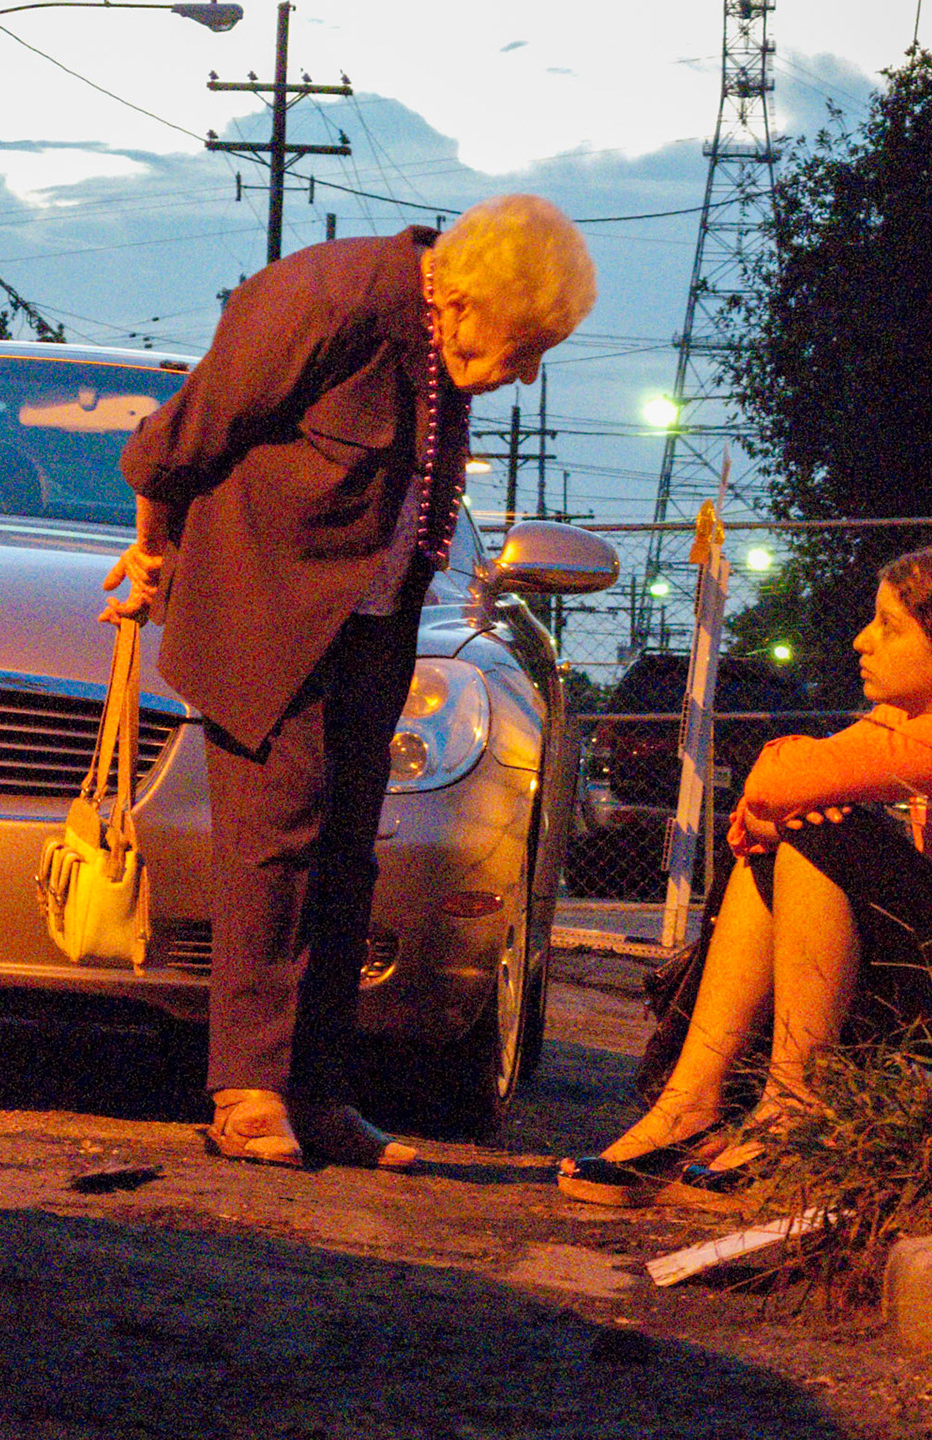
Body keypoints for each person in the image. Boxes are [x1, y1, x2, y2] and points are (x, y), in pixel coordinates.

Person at [102, 195, 596, 1170]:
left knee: (346, 862)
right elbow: (180, 440)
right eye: (524, 345)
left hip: (373, 622)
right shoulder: (327, 302)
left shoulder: (444, 336)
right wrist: (152, 551)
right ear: (467, 301)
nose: (524, 372)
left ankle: (323, 1101)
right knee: (275, 845)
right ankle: (247, 1095)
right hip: (269, 608)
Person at [558, 546, 932, 1204]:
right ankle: (691, 1106)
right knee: (799, 834)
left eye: (888, 625)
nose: (862, 641)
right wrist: (774, 815)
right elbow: (782, 790)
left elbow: (777, 781)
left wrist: (779, 813)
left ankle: (790, 1109)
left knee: (822, 832)